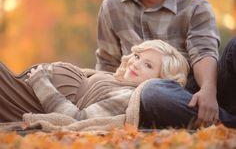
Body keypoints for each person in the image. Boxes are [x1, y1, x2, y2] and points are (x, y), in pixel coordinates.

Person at [95, 0, 236, 128]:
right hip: (154, 97)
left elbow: (203, 52)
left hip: (200, 86)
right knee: (151, 91)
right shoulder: (111, 7)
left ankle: (215, 115)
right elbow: (107, 64)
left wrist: (207, 89)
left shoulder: (196, 6)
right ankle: (228, 123)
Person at [0, 40, 189, 122]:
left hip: (26, 103)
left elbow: (76, 119)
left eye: (148, 65)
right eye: (138, 57)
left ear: (161, 81)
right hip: (23, 89)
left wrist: (42, 82)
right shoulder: (118, 80)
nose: (136, 64)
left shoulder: (128, 97)